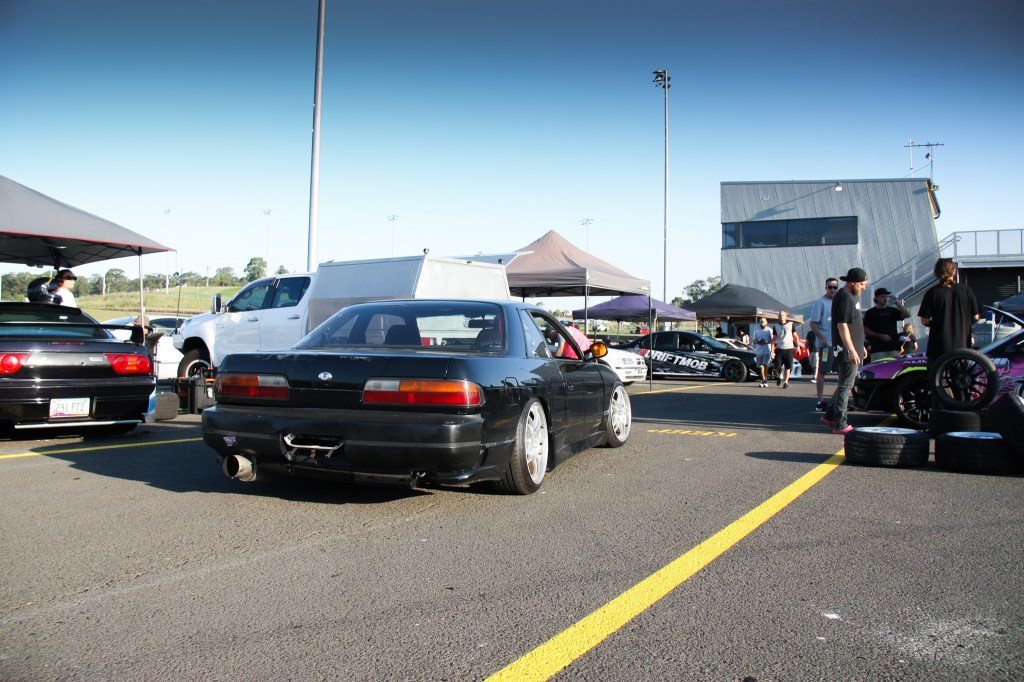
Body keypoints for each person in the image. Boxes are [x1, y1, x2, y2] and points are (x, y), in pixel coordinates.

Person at [822, 267, 868, 435]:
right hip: (846, 350)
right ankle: (840, 423)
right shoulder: (845, 297)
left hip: (853, 347)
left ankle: (830, 415)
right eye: (862, 284)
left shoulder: (851, 296)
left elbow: (854, 325)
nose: (864, 287)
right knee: (846, 385)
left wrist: (860, 345)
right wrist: (851, 349)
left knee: (846, 383)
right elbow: (842, 325)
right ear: (852, 283)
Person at [918, 258, 980, 362]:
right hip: (962, 347)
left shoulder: (932, 293)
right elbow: (976, 317)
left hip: (938, 349)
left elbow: (924, 320)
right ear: (954, 271)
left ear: (936, 272)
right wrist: (963, 323)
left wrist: (938, 324)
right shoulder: (967, 291)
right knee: (961, 372)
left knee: (937, 372)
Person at [808, 277, 838, 411]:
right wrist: (821, 338)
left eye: (835, 287)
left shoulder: (839, 302)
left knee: (843, 371)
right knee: (823, 371)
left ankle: (837, 399)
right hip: (826, 344)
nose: (832, 290)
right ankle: (820, 401)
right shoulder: (820, 303)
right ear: (825, 288)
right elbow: (813, 323)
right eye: (830, 287)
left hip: (838, 343)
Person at [863, 287, 910, 361]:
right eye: (882, 297)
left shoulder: (891, 310)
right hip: (878, 349)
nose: (885, 298)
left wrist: (897, 303)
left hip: (892, 348)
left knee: (894, 367)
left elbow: (907, 315)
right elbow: (865, 330)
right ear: (876, 298)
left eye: (886, 296)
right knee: (879, 367)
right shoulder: (870, 313)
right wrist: (880, 336)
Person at [771, 310, 799, 389]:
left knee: (788, 366)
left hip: (789, 348)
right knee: (777, 366)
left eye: (783, 315)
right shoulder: (775, 326)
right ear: (778, 317)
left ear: (786, 317)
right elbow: (774, 339)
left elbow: (795, 336)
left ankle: (786, 382)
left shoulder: (791, 324)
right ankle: (780, 375)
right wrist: (772, 349)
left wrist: (798, 346)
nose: (781, 317)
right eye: (780, 315)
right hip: (779, 348)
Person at [751, 317, 774, 387]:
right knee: (761, 366)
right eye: (760, 322)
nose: (762, 323)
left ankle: (766, 380)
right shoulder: (757, 330)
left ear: (766, 323)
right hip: (759, 351)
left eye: (763, 322)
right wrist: (758, 342)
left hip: (767, 350)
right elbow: (754, 340)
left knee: (765, 364)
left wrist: (766, 342)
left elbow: (773, 340)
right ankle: (763, 380)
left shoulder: (769, 330)